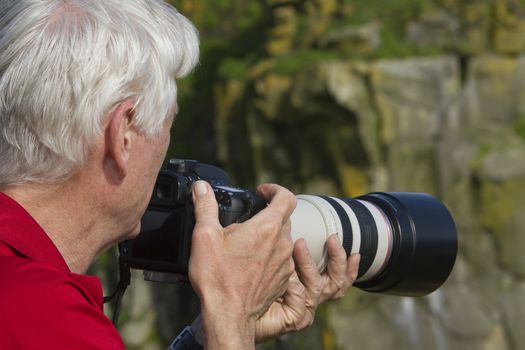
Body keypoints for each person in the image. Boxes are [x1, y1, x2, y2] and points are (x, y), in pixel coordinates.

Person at [0, 0, 360, 349]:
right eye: (166, 124)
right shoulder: (47, 317)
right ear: (122, 135)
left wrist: (208, 335)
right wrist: (231, 314)